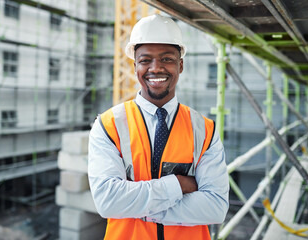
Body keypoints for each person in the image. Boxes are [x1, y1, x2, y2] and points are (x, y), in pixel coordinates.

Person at [88, 14, 229, 240]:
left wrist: (138, 208)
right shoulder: (108, 125)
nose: (156, 68)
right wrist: (177, 185)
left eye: (167, 59)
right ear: (135, 67)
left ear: (180, 65)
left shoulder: (204, 129)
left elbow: (216, 206)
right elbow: (108, 202)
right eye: (145, 60)